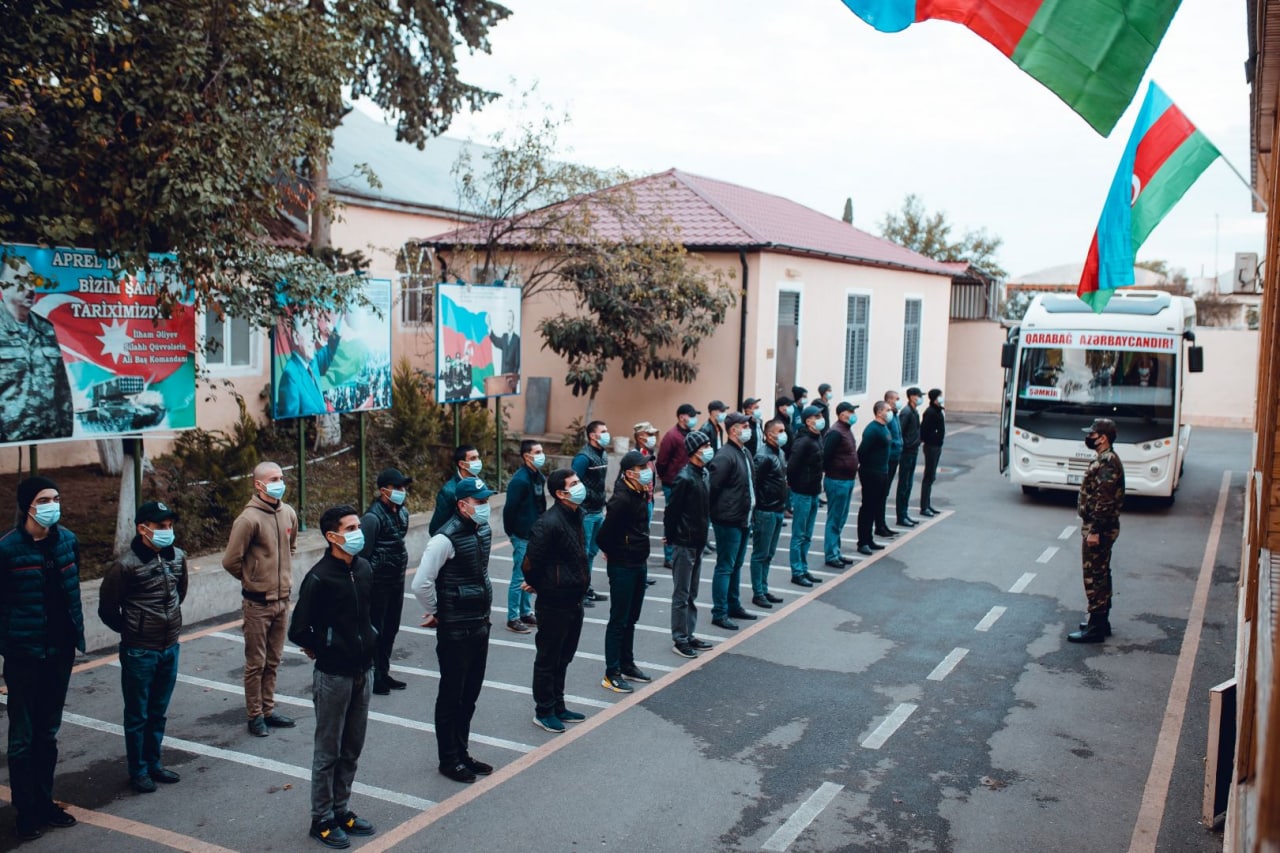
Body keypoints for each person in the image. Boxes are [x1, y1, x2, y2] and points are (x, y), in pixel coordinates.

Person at [289, 505, 378, 849]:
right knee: (328, 751)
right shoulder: (320, 577)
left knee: (352, 747)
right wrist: (323, 648)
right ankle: (321, 818)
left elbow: (370, 615)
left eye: (358, 525)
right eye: (351, 527)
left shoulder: (365, 569)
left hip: (363, 671)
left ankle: (341, 810)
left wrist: (371, 639)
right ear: (332, 536)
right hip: (333, 676)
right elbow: (299, 629)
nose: (359, 531)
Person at [0, 476, 84, 840]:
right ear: (27, 506)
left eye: (56, 497)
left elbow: (71, 592)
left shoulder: (67, 541)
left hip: (59, 654)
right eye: (45, 498)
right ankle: (25, 810)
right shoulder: (7, 550)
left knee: (47, 734)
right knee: (22, 738)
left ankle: (45, 801)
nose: (53, 504)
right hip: (24, 656)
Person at [99, 500, 188, 795]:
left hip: (169, 646)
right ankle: (137, 770)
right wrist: (133, 631)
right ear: (142, 529)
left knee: (158, 711)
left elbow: (180, 593)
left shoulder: (178, 558)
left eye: (170, 526)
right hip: (140, 651)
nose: (167, 531)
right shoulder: (125, 565)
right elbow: (108, 609)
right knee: (137, 714)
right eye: (161, 527)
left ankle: (154, 764)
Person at [411, 477, 496, 784]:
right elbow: (420, 583)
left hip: (479, 623)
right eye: (480, 502)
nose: (485, 506)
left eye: (487, 501)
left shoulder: (481, 530)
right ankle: (448, 759)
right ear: (462, 505)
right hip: (456, 629)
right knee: (452, 695)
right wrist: (439, 613)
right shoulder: (443, 539)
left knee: (469, 695)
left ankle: (462, 753)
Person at [222, 461, 299, 737]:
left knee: (274, 660)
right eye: (274, 478)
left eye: (281, 477)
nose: (280, 482)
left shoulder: (288, 513)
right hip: (257, 603)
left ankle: (268, 709)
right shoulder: (248, 519)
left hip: (282, 600)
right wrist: (252, 580)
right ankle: (254, 715)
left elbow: (291, 548)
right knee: (256, 663)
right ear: (259, 484)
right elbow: (230, 560)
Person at [523, 469, 591, 732]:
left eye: (579, 482)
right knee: (548, 658)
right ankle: (544, 710)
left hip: (574, 599)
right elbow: (531, 563)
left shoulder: (577, 515)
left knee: (565, 656)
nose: (580, 486)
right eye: (574, 484)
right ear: (561, 493)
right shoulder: (548, 523)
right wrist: (543, 585)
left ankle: (558, 705)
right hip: (554, 602)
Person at [596, 451, 654, 692]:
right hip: (623, 565)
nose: (648, 470)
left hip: (639, 561)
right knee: (619, 619)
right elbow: (604, 535)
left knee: (632, 617)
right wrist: (614, 551)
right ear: (630, 473)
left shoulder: (639, 492)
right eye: (643, 467)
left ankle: (627, 663)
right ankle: (612, 672)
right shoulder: (622, 499)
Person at [0, 263, 75, 443]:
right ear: (3, 285)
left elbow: (62, 388)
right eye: (22, 282)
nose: (31, 289)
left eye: (32, 282)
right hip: (9, 432)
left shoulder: (45, 328)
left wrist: (65, 431)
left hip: (48, 431)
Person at [1068, 418, 1126, 644]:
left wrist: (1095, 531)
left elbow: (1105, 500)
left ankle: (1096, 627)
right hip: (1099, 527)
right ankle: (1101, 621)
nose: (1088, 438)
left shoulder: (1108, 462)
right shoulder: (1105, 459)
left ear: (1102, 438)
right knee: (1101, 573)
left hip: (1099, 529)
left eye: (1092, 434)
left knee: (1095, 576)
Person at [359, 468, 412, 694]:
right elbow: (363, 556)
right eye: (397, 488)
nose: (402, 492)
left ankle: (383, 671)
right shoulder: (372, 518)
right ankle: (373, 676)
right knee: (376, 630)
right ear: (383, 490)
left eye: (403, 487)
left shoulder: (402, 514)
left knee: (391, 628)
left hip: (396, 581)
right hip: (378, 583)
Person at [708, 413, 759, 631]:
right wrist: (719, 513)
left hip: (743, 518)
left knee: (736, 565)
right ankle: (719, 612)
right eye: (744, 425)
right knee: (725, 566)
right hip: (728, 520)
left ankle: (733, 604)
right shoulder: (725, 456)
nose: (748, 428)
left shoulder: (744, 452)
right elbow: (712, 488)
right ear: (732, 430)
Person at [666, 431, 714, 658]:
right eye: (705, 445)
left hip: (698, 541)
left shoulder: (704, 473)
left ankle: (689, 632)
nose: (709, 449)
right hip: (684, 542)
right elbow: (672, 511)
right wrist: (669, 536)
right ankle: (679, 638)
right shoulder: (684, 478)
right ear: (694, 450)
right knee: (681, 592)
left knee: (692, 591)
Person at [502, 441, 546, 633]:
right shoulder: (519, 480)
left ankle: (526, 612)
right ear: (526, 456)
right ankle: (513, 618)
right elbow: (509, 509)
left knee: (530, 575)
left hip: (535, 534)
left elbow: (540, 504)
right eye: (537, 452)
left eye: (541, 451)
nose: (541, 455)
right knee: (519, 576)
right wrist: (512, 533)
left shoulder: (539, 477)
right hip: (522, 534)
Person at [749, 419, 789, 609]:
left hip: (778, 509)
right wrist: (757, 510)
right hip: (765, 511)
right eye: (779, 431)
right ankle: (758, 592)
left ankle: (764, 588)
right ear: (769, 434)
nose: (783, 433)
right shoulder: (762, 456)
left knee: (769, 553)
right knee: (761, 553)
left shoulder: (779, 452)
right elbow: (755, 485)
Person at [572, 421, 611, 607]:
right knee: (583, 553)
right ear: (592, 436)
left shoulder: (603, 454)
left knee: (592, 552)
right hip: (586, 513)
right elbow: (572, 483)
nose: (607, 434)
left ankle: (586, 588)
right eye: (603, 431)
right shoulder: (583, 458)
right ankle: (578, 593)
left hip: (598, 511)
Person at [786, 406, 826, 587]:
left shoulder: (817, 438)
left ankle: (804, 567)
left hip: (813, 491)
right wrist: (796, 486)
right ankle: (797, 571)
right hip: (802, 492)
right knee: (799, 534)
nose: (821, 418)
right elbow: (792, 467)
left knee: (808, 534)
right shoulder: (803, 441)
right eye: (817, 416)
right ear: (808, 420)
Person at [656, 403, 701, 566]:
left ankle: (679, 552)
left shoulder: (690, 434)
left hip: (688, 482)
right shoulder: (672, 436)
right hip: (673, 484)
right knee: (672, 518)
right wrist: (667, 478)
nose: (694, 419)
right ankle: (669, 556)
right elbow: (661, 462)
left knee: (685, 518)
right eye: (692, 415)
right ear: (682, 417)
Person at [276, 313, 342, 419]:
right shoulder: (290, 375)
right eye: (308, 332)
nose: (313, 339)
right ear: (296, 338)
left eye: (314, 333)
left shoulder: (312, 363)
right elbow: (291, 422)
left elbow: (330, 348)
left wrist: (340, 317)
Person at [821, 402, 860, 568]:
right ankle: (831, 554)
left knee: (841, 518)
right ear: (841, 414)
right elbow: (826, 456)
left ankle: (836, 551)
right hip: (837, 480)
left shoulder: (846, 430)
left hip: (847, 480)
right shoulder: (836, 432)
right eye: (850, 411)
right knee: (835, 518)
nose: (852, 414)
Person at [856, 402, 893, 556]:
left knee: (876, 506)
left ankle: (869, 539)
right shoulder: (872, 430)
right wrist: (869, 469)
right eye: (887, 410)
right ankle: (862, 542)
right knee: (868, 507)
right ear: (879, 413)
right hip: (872, 472)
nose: (890, 412)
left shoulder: (884, 428)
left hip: (882, 471)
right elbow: (862, 452)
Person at [430, 445, 482, 535]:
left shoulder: (480, 484)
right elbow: (436, 528)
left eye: (478, 457)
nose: (478, 461)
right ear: (461, 464)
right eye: (473, 458)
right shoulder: (449, 491)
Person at [896, 387, 923, 528]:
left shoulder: (914, 412)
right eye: (918, 395)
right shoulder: (906, 413)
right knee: (904, 484)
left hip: (913, 450)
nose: (920, 398)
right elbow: (901, 431)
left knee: (909, 484)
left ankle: (904, 513)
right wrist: (907, 444)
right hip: (907, 452)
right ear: (912, 397)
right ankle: (901, 515)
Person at [878, 390, 903, 538]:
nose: (898, 401)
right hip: (888, 459)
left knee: (885, 493)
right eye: (896, 399)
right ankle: (880, 525)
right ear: (888, 400)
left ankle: (882, 524)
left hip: (895, 457)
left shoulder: (896, 416)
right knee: (882, 493)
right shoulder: (888, 419)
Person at [920, 388, 946, 517]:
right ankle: (924, 506)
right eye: (940, 396)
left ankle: (928, 504)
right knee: (928, 476)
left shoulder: (937, 410)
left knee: (931, 476)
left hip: (936, 446)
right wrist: (933, 438)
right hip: (931, 447)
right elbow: (924, 430)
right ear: (935, 398)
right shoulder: (930, 412)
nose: (942, 398)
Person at [487, 308, 521, 376]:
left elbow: (517, 363)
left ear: (513, 321)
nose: (508, 321)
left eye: (510, 318)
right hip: (503, 377)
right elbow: (496, 341)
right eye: (507, 318)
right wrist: (489, 326)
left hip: (512, 378)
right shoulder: (504, 337)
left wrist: (514, 377)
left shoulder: (517, 339)